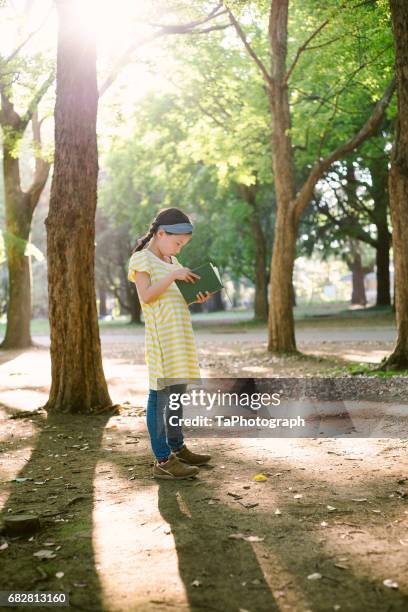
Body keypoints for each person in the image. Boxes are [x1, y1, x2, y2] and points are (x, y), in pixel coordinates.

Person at [128, 207, 213, 479]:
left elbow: (172, 297)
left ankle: (178, 448)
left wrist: (193, 298)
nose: (179, 249)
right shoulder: (142, 260)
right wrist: (172, 276)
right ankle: (163, 461)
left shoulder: (172, 262)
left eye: (183, 245)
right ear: (161, 233)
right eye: (177, 243)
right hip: (162, 341)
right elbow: (148, 297)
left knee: (177, 395)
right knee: (160, 397)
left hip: (180, 338)